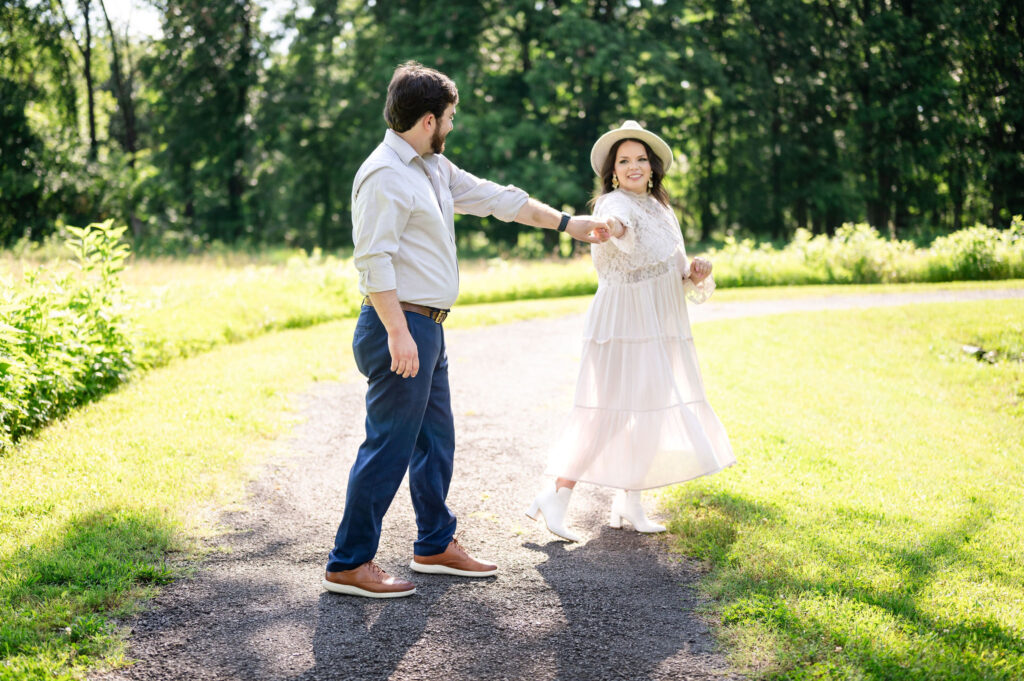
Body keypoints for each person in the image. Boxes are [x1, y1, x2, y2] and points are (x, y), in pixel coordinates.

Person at [323, 61, 611, 598]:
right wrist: (397, 332)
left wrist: (569, 224)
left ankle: (433, 544)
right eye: (450, 118)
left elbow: (501, 199)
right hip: (400, 325)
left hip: (427, 326)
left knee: (436, 442)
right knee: (388, 446)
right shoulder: (384, 174)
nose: (453, 127)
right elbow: (373, 260)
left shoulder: (433, 168)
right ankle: (348, 561)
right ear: (428, 119)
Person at [526, 120, 736, 542]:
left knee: (648, 412)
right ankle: (557, 494)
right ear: (613, 170)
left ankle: (629, 502)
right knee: (610, 412)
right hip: (624, 323)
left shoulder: (662, 209)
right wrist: (611, 230)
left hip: (660, 321)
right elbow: (618, 227)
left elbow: (672, 272)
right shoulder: (612, 205)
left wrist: (696, 272)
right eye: (624, 161)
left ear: (653, 167)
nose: (634, 166)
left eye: (641, 159)